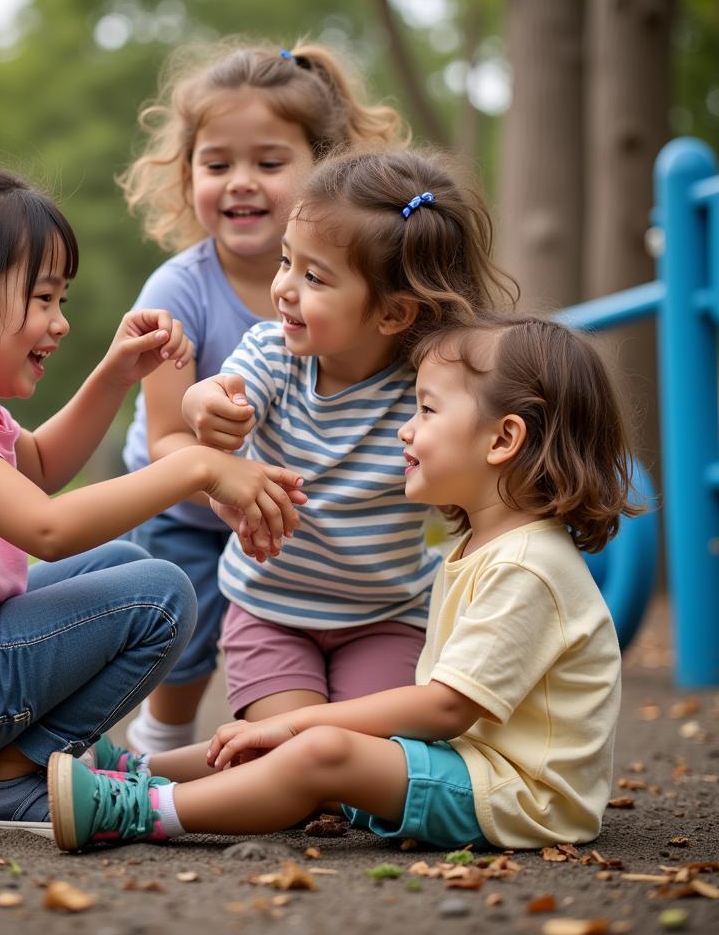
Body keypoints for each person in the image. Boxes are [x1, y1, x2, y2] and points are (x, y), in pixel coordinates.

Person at [0, 162, 307, 839]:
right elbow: (45, 528)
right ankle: (12, 781)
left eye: (60, 300)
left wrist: (114, 374)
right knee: (159, 594)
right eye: (42, 299)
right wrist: (196, 467)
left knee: (121, 562)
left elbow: (37, 467)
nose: (59, 322)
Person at [48, 313, 641, 852]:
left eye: (427, 411)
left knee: (319, 748)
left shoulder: (527, 564)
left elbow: (444, 708)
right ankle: (139, 768)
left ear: (504, 439)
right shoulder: (489, 545)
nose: (405, 432)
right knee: (294, 746)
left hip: (519, 798)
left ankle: (140, 809)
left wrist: (298, 722)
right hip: (473, 769)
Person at [118, 40, 408, 754]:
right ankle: (165, 731)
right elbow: (164, 442)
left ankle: (317, 726)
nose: (240, 181)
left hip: (292, 511)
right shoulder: (178, 290)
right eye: (217, 164)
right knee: (181, 639)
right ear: (187, 175)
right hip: (182, 502)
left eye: (269, 163)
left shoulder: (362, 298)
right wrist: (222, 477)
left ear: (326, 168)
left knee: (294, 623)